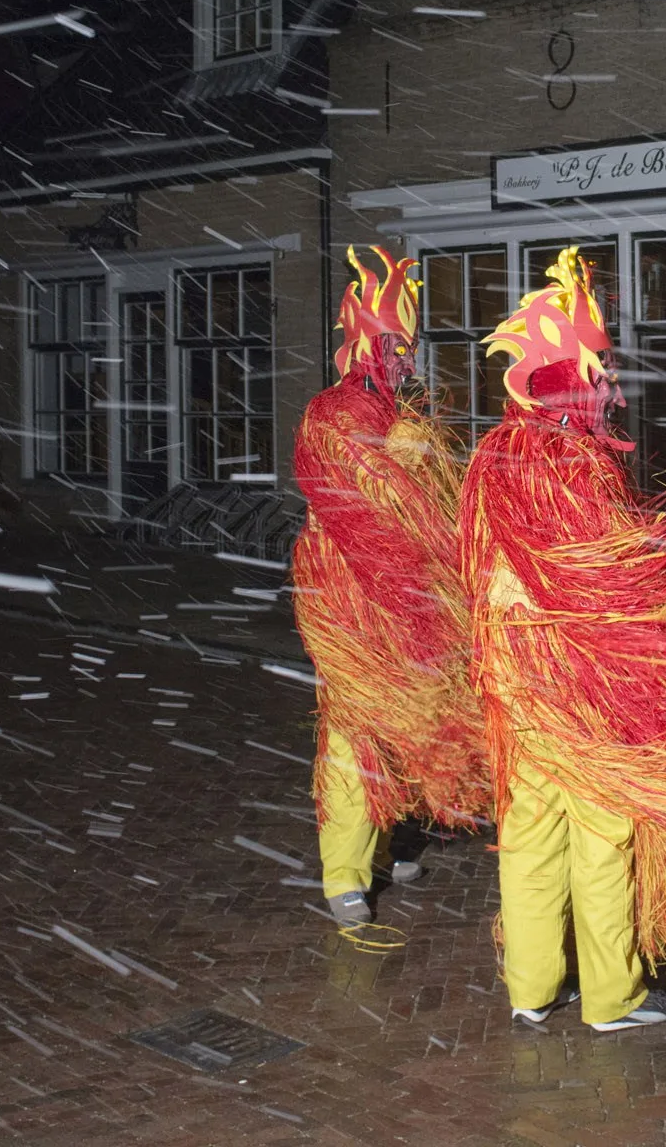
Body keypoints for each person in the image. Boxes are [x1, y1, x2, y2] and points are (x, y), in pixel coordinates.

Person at [461, 247, 666, 1033]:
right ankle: (611, 997)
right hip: (576, 679)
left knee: (531, 831)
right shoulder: (569, 462)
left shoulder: (496, 453)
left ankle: (532, 989)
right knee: (604, 830)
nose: (613, 388)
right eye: (598, 371)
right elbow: (601, 584)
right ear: (568, 381)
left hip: (517, 676)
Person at [290, 247, 490, 927]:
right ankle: (344, 871)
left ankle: (393, 838)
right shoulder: (332, 416)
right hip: (351, 605)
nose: (406, 362)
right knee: (354, 734)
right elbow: (374, 510)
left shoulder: (395, 417)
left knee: (413, 718)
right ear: (361, 347)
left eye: (407, 348)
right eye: (393, 348)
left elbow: (433, 504)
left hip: (410, 601)